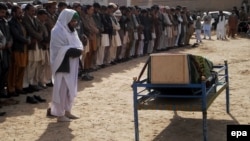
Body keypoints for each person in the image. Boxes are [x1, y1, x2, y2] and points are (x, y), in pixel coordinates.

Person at [49, 9, 83, 122]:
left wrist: (79, 49)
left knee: (70, 88)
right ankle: (59, 114)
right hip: (62, 64)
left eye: (75, 21)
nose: (75, 23)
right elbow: (59, 49)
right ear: (67, 19)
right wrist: (73, 51)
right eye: (73, 21)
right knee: (61, 89)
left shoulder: (72, 30)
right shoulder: (57, 31)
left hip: (72, 63)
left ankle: (67, 111)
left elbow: (77, 44)